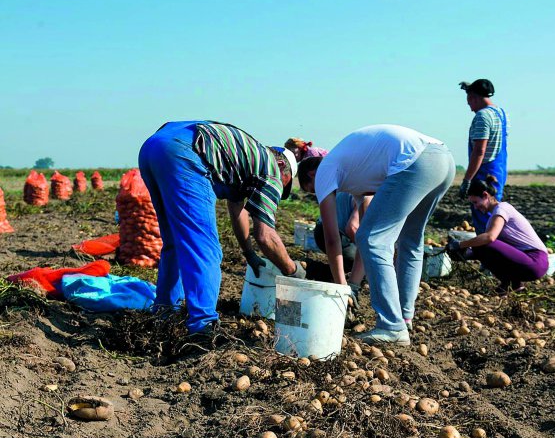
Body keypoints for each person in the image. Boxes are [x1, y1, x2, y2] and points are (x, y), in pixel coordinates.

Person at [138, 121, 304, 335]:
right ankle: (203, 325)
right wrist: (292, 270)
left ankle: (165, 313)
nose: (281, 188)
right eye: (286, 182)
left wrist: (249, 253)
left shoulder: (246, 161)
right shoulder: (272, 169)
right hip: (184, 151)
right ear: (283, 167)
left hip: (153, 147)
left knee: (175, 242)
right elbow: (265, 235)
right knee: (205, 248)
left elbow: (238, 212)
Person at [298, 125, 456, 345]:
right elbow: (366, 231)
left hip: (414, 161)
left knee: (372, 239)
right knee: (410, 241)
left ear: (312, 175)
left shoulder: (325, 171)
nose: (320, 195)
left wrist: (341, 289)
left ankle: (391, 325)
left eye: (313, 190)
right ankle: (404, 317)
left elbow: (332, 238)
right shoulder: (355, 175)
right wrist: (352, 284)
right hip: (442, 159)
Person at [447, 176, 548, 294]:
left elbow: (490, 237)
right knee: (481, 245)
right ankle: (513, 285)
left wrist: (460, 245)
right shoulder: (494, 216)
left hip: (535, 261)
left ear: (485, 195)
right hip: (527, 261)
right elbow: (496, 251)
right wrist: (466, 255)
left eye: (475, 202)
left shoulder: (502, 209)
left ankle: (510, 283)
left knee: (483, 242)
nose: (475, 207)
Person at [459, 79, 509, 233]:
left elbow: (479, 150)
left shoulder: (482, 116)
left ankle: (488, 252)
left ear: (473, 97)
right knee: (494, 212)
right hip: (498, 172)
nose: (470, 108)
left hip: (483, 173)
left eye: (469, 102)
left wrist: (467, 179)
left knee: (482, 212)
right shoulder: (501, 113)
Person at [310, 189, 361, 271]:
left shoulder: (357, 185)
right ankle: (315, 270)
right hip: (334, 234)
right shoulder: (370, 196)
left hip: (321, 229)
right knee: (366, 264)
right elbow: (352, 228)